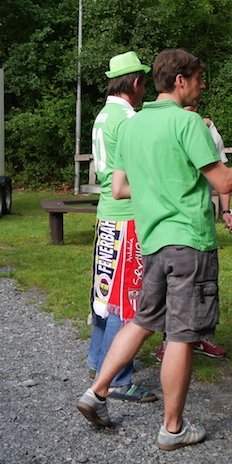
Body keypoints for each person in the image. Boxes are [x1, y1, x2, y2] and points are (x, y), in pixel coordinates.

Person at [77, 48, 232, 451]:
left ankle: (96, 392)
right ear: (180, 80)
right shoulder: (188, 122)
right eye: (199, 79)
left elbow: (119, 188)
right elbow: (225, 182)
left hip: (151, 241)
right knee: (182, 334)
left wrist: (158, 188)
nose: (203, 86)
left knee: (142, 319)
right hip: (189, 243)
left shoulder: (133, 125)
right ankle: (172, 428)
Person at [86, 51, 157, 404]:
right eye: (144, 83)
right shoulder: (129, 118)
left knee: (105, 291)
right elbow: (139, 170)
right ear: (136, 82)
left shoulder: (104, 114)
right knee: (126, 298)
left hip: (107, 213)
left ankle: (97, 360)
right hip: (127, 215)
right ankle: (117, 378)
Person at [153, 103, 232, 364]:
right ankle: (169, 341)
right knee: (172, 288)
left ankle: (199, 337)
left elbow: (222, 176)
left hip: (200, 221)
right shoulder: (164, 129)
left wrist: (227, 210)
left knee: (202, 285)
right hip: (169, 222)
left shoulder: (209, 133)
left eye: (192, 108)